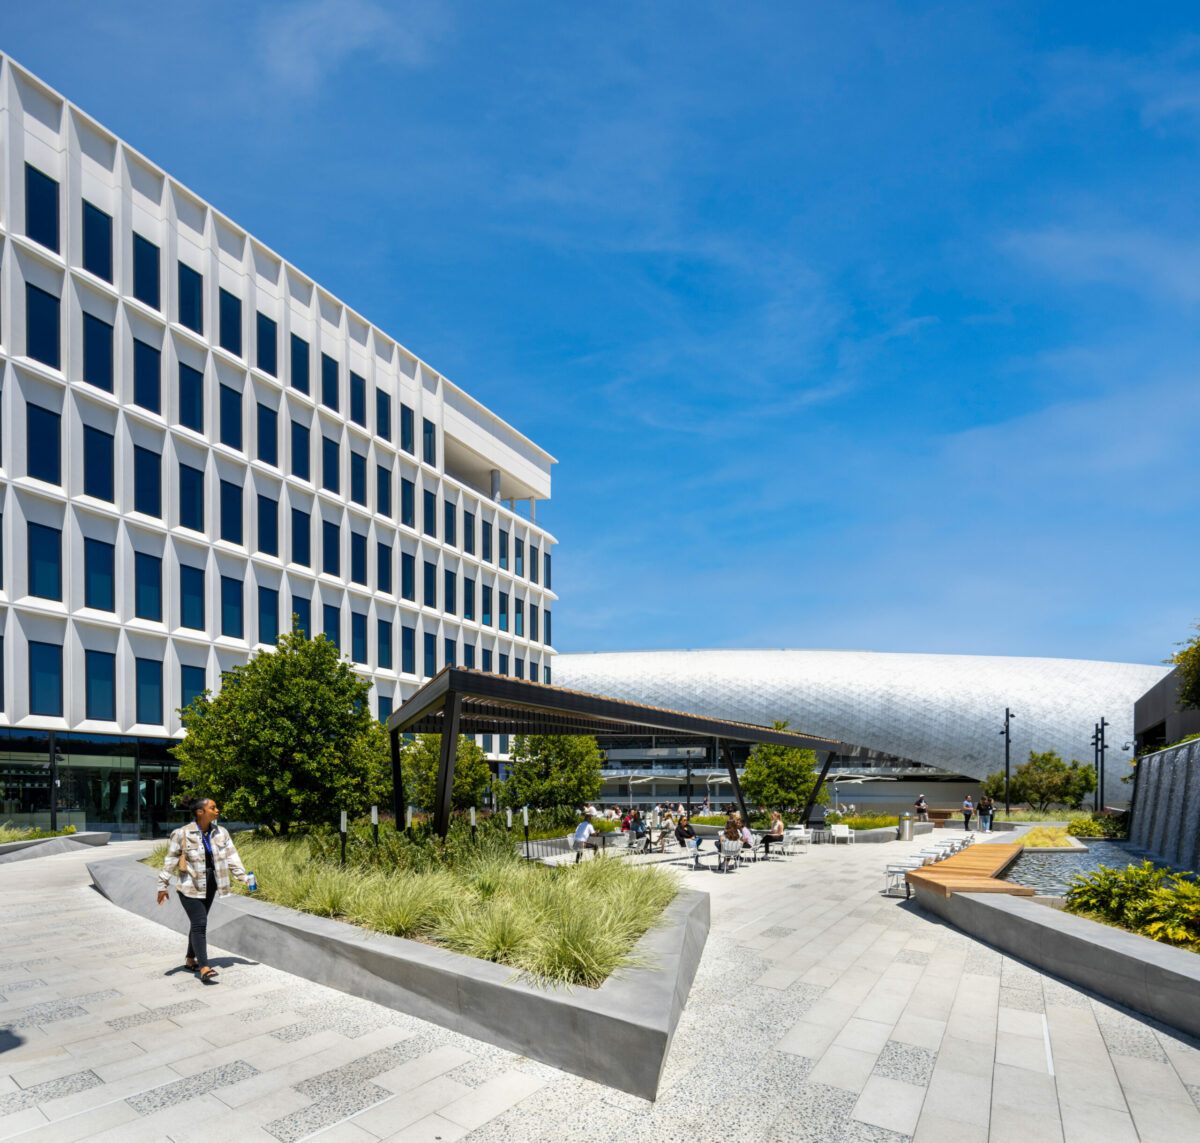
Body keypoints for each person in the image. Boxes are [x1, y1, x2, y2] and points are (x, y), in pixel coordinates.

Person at [157, 796, 250, 985]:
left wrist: (243, 877)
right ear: (200, 812)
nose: (217, 810)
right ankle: (205, 967)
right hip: (190, 885)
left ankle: (190, 959)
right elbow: (170, 861)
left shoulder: (221, 832)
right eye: (213, 808)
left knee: (197, 923)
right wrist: (162, 885)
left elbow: (232, 857)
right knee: (200, 923)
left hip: (212, 884)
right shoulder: (182, 833)